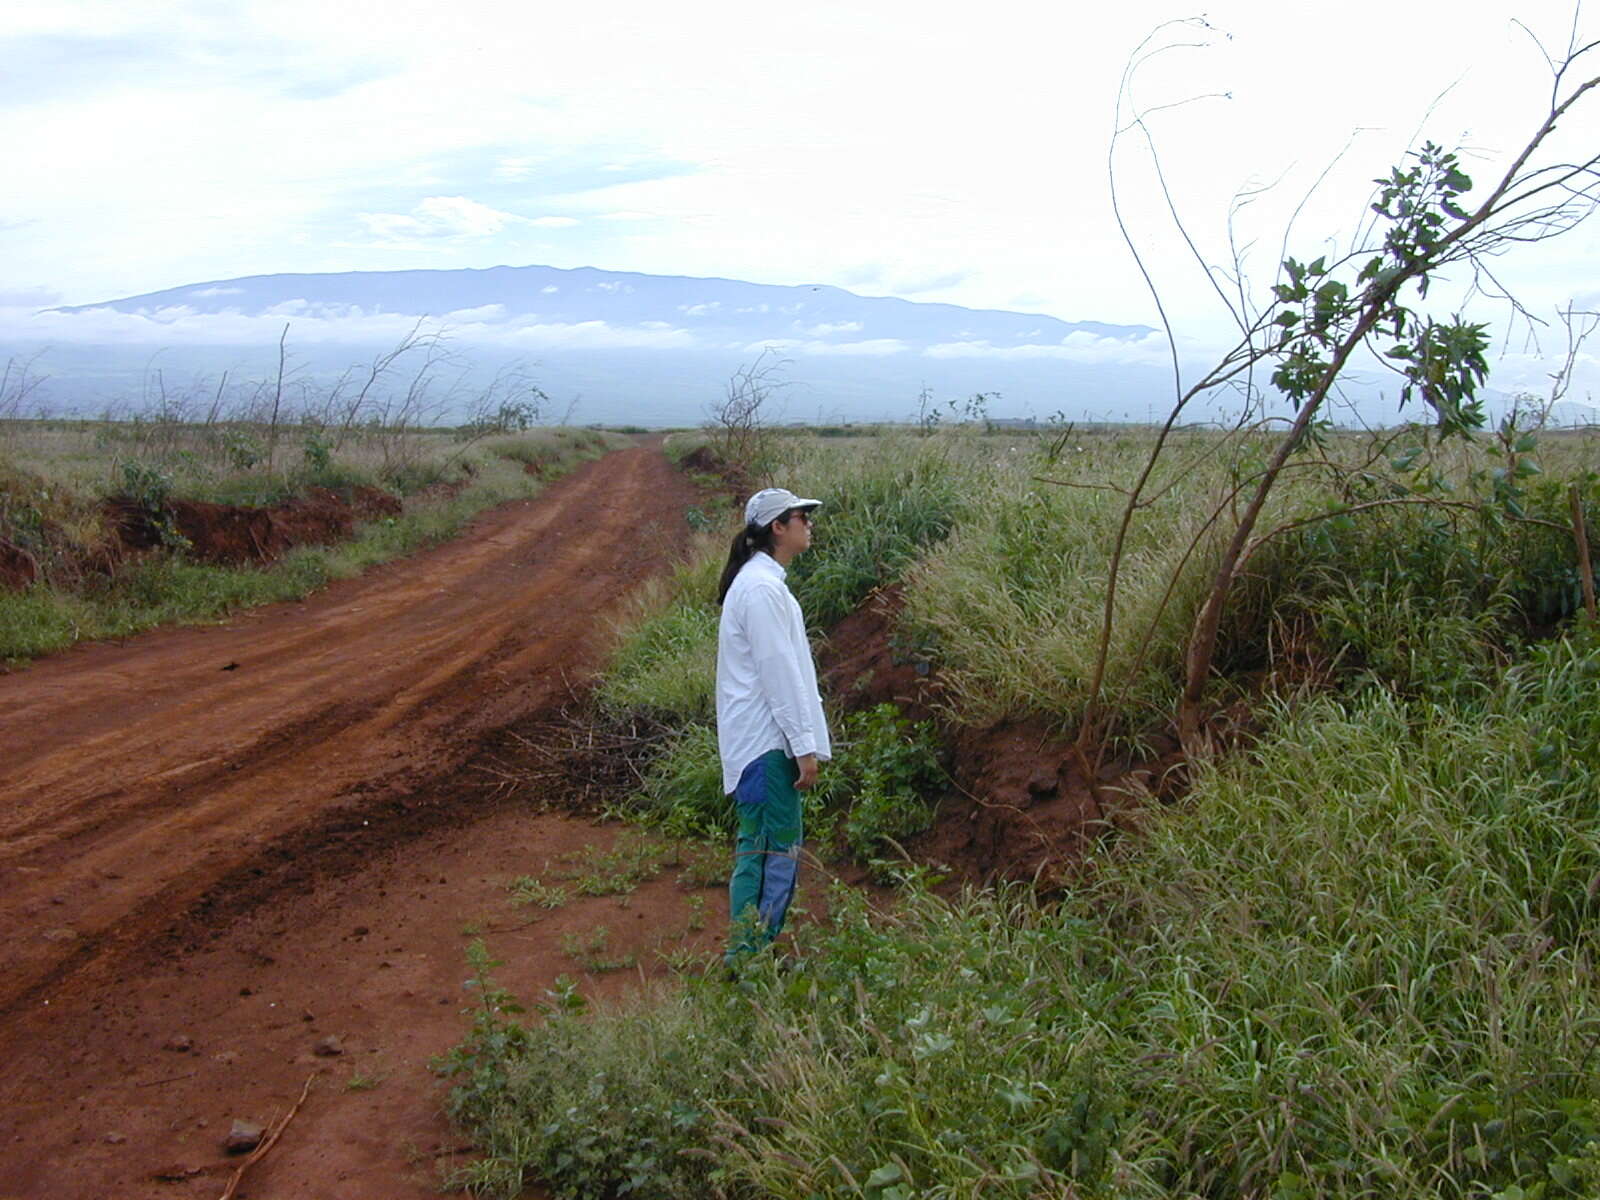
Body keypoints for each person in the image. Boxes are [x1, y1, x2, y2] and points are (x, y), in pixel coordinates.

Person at [715, 486, 831, 966]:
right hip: (767, 745)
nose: (809, 523)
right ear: (776, 528)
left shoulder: (760, 583)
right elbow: (778, 674)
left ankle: (749, 954)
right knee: (773, 852)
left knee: (758, 847)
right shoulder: (762, 589)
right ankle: (750, 958)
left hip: (758, 744)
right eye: (800, 516)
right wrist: (803, 747)